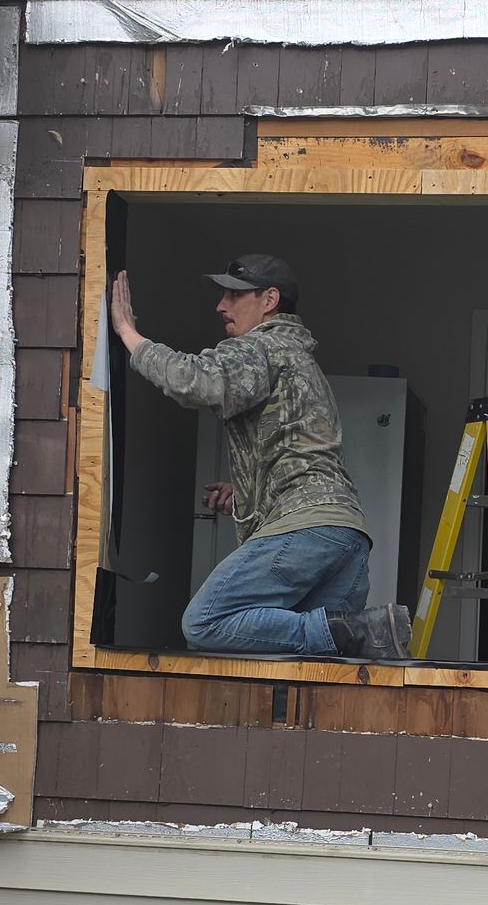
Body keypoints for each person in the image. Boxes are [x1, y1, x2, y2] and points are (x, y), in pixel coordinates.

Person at [109, 253, 411, 661]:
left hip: (307, 530)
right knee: (307, 662)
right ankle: (353, 631)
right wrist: (246, 494)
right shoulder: (299, 359)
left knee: (206, 622)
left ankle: (354, 629)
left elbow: (199, 381)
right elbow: (298, 449)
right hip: (345, 536)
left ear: (269, 299)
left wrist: (129, 334)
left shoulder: (262, 346)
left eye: (234, 295)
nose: (221, 306)